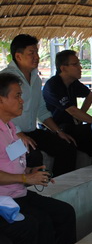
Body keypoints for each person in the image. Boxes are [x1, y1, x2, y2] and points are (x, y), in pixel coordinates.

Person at [0, 73, 76, 244]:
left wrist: (31, 171)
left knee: (64, 212)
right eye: (17, 96)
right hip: (5, 200)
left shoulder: (10, 127)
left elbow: (10, 163)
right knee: (38, 223)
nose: (22, 101)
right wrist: (25, 177)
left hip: (19, 193)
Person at [1, 35, 77, 177]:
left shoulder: (35, 78)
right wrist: (18, 133)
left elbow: (41, 110)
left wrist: (58, 131)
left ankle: (60, 185)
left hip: (32, 132)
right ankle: (28, 188)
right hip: (9, 135)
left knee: (67, 146)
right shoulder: (5, 79)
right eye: (31, 53)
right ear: (18, 56)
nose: (37, 57)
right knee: (32, 156)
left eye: (37, 52)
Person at [42, 50, 92, 163]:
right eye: (75, 64)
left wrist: (80, 118)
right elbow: (72, 110)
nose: (80, 67)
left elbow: (90, 96)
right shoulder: (53, 85)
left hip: (71, 126)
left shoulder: (73, 83)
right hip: (56, 128)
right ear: (63, 68)